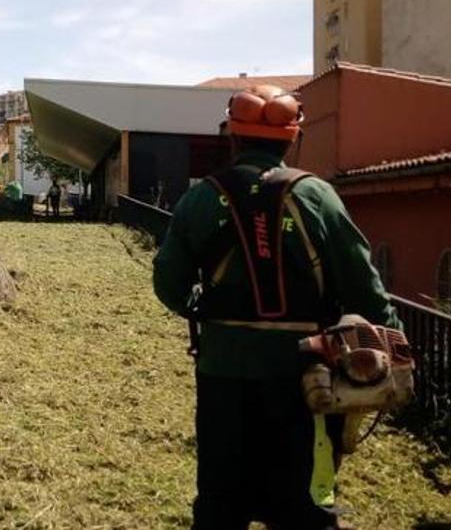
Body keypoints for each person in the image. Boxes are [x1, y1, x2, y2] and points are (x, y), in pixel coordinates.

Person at [152, 85, 401, 529]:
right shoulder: (317, 197)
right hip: (306, 377)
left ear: (232, 137)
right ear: (293, 140)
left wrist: (206, 309)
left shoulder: (201, 199)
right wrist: (396, 349)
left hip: (223, 371)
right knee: (302, 504)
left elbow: (169, 282)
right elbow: (365, 287)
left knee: (220, 500)